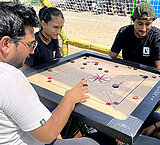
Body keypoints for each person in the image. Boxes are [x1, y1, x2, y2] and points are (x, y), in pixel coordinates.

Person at [0, 2, 99, 145]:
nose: (32, 51)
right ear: (6, 44)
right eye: (29, 44)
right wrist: (70, 98)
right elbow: (48, 134)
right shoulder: (9, 78)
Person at [109, 2, 160, 70]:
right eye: (140, 24)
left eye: (148, 24)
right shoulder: (123, 32)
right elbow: (111, 57)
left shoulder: (158, 38)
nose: (143, 29)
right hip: (126, 71)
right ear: (133, 20)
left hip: (149, 76)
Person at [21, 6, 64, 70]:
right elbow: (25, 69)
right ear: (43, 24)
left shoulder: (54, 38)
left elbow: (57, 59)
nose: (59, 32)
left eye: (61, 27)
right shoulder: (33, 42)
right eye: (55, 27)